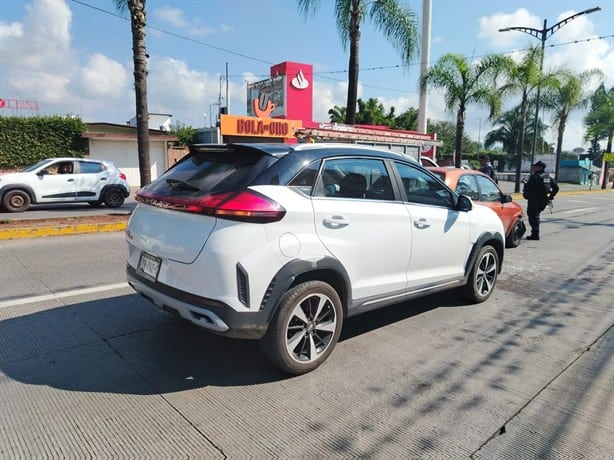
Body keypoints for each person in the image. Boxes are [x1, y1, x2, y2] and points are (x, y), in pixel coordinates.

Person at [523, 160, 559, 241]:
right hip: (543, 200)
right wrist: (551, 196)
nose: (533, 168)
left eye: (535, 167)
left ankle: (535, 234)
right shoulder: (547, 177)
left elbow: (529, 188)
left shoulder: (535, 177)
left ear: (540, 168)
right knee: (535, 216)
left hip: (534, 200)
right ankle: (535, 233)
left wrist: (525, 188)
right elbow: (556, 188)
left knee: (533, 216)